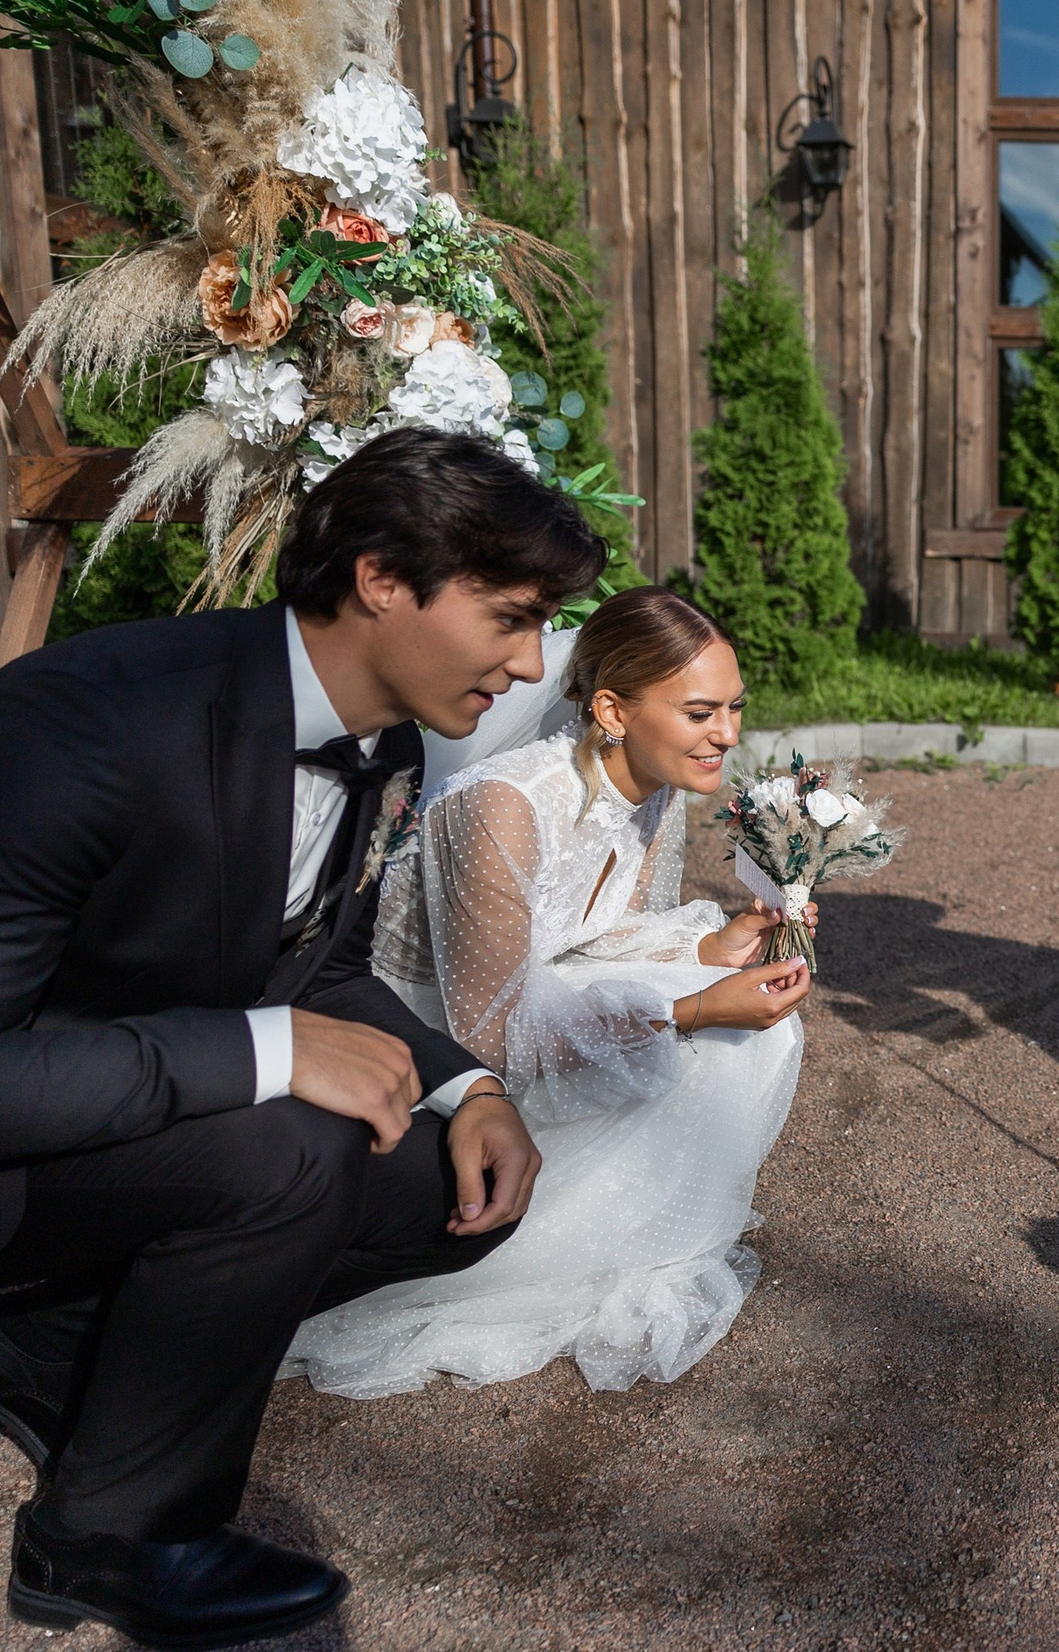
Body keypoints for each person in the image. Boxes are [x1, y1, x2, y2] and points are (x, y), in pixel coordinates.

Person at [0, 429, 601, 1648]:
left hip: (116, 1118)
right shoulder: (84, 726)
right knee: (296, 1152)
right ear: (379, 579)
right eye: (510, 618)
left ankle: (37, 1355)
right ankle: (110, 1536)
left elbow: (325, 966)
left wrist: (467, 1087)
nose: (529, 665)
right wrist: (267, 1053)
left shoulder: (393, 745)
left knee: (441, 1186)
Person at [285, 588, 811, 1396]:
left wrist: (714, 946)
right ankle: (543, 1246)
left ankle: (634, 1225)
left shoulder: (653, 786)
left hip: (526, 992)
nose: (729, 735)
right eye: (702, 712)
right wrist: (695, 1006)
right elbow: (490, 1039)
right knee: (709, 1023)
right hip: (422, 1031)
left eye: (735, 708)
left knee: (754, 1023)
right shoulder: (502, 803)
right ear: (612, 709)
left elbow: (593, 934)